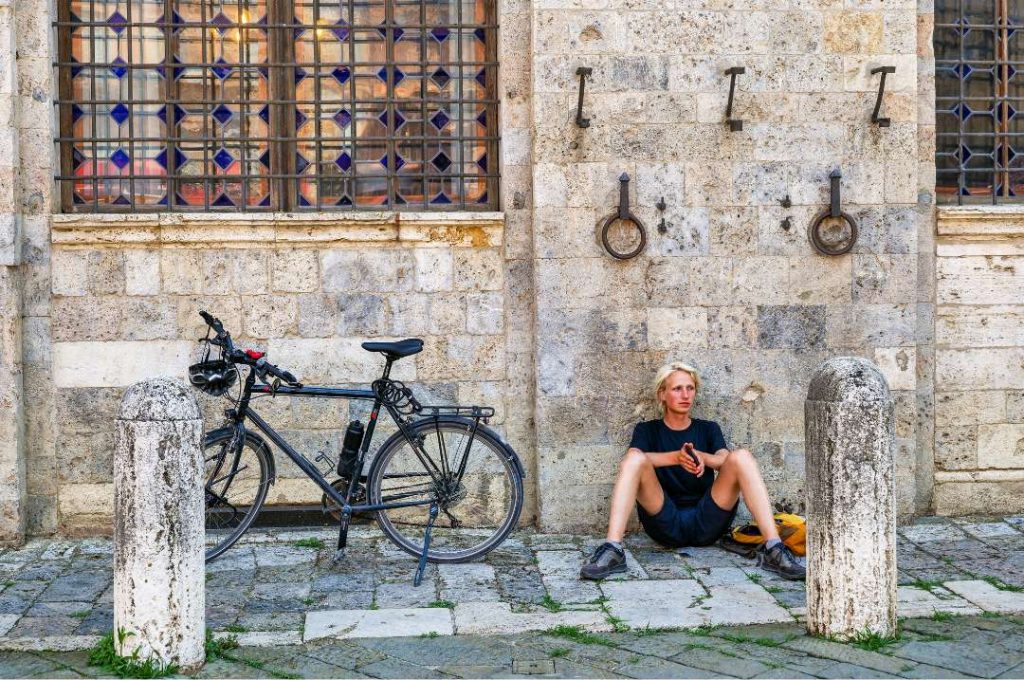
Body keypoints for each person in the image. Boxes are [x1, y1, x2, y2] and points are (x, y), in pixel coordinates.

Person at [579, 361, 805, 581]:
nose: (685, 395)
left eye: (690, 388)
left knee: (742, 457)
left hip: (708, 520)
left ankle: (774, 548)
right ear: (662, 394)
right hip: (664, 521)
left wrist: (702, 457)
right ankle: (613, 548)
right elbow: (633, 460)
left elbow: (725, 461)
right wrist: (676, 457)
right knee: (634, 460)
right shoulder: (648, 430)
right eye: (677, 389)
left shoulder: (707, 428)